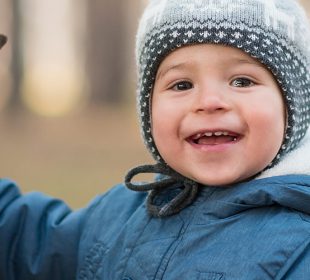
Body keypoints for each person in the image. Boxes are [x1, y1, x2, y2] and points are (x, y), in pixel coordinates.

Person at [1, 0, 310, 279]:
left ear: (293, 105)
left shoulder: (299, 244)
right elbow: (26, 243)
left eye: (242, 81)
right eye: (181, 84)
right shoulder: (122, 213)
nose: (210, 101)